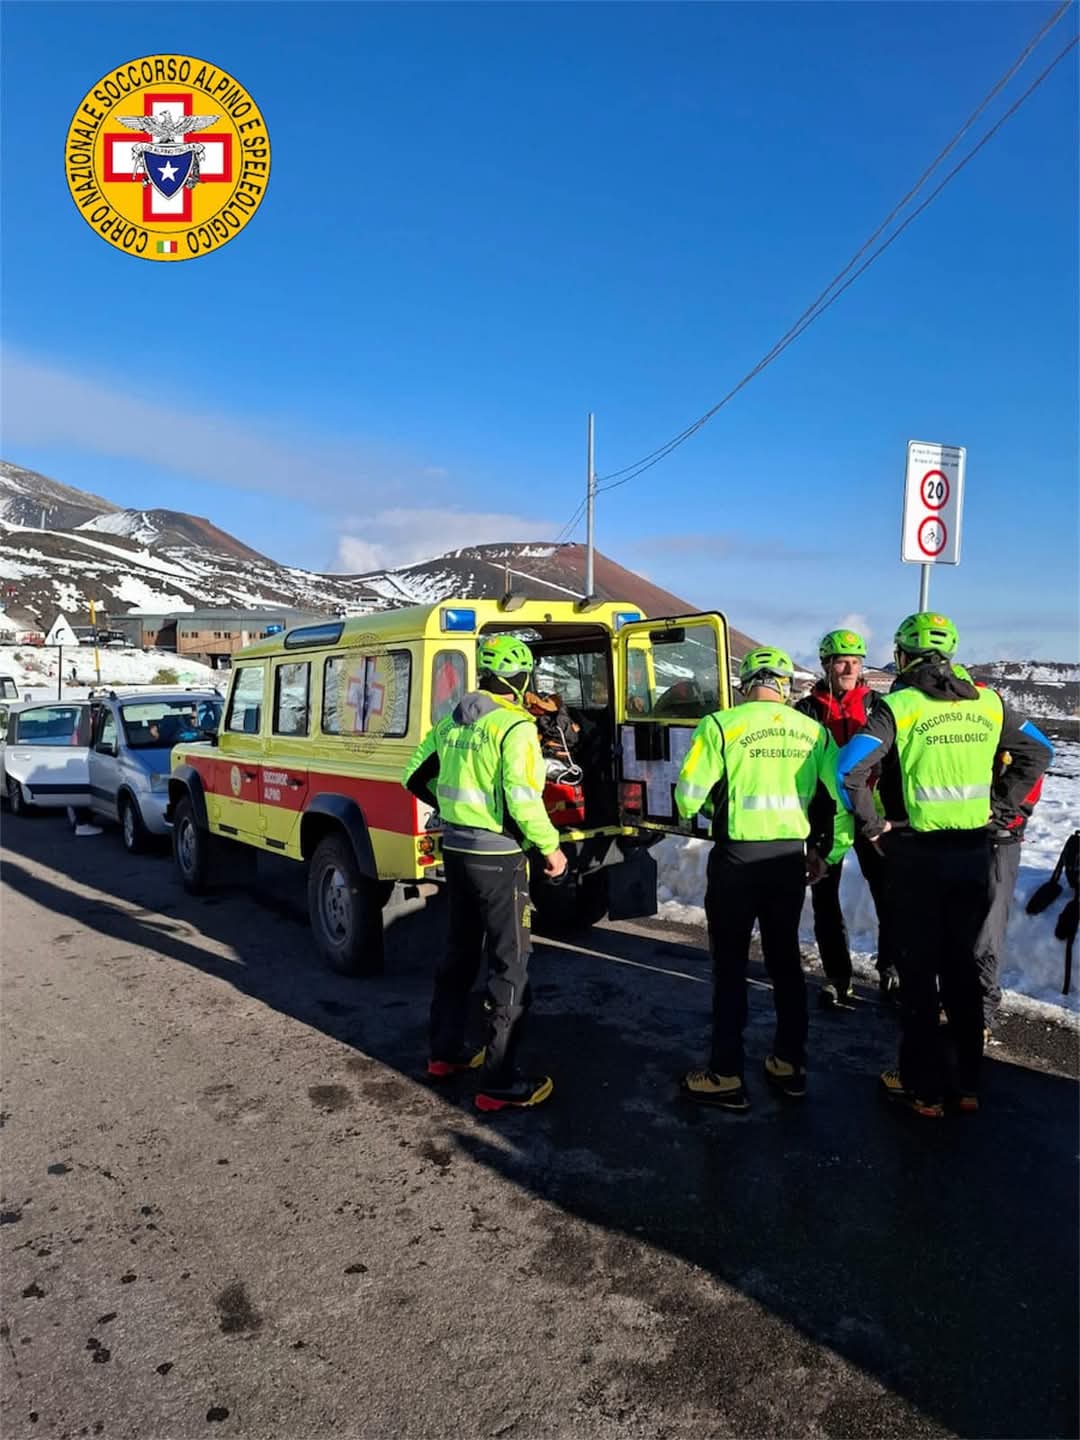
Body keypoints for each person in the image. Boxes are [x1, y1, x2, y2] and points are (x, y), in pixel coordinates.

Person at [836, 612, 1051, 1117]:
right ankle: (967, 1085)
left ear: (903, 657)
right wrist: (1005, 807)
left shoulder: (899, 706)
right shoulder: (989, 701)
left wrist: (871, 825)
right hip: (974, 853)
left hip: (917, 855)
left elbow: (850, 767)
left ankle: (922, 1087)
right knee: (961, 969)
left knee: (918, 974)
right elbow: (1038, 752)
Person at [673, 646, 845, 1112]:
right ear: (786, 687)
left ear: (746, 683)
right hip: (789, 860)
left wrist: (709, 808)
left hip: (736, 859)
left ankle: (725, 1075)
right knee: (785, 960)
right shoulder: (814, 733)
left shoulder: (721, 725)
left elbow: (688, 797)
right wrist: (830, 851)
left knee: (729, 966)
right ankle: (789, 1065)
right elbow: (843, 794)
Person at [403, 634, 567, 1113]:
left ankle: (447, 1052)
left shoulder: (452, 718)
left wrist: (455, 809)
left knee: (459, 952)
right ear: (520, 681)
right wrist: (550, 848)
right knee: (509, 964)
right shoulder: (515, 727)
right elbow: (521, 797)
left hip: (457, 850)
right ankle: (499, 1082)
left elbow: (414, 775)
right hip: (499, 858)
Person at [796, 628, 898, 1009]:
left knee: (887, 894)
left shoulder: (878, 706)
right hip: (825, 815)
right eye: (841, 660)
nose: (849, 667)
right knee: (825, 897)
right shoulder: (807, 710)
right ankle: (838, 978)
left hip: (872, 814)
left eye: (855, 661)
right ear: (826, 665)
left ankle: (891, 970)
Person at [975, 714, 1053, 1037]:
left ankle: (981, 1014)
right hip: (968, 839)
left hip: (999, 841)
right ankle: (958, 1005)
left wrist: (1003, 809)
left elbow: (1041, 753)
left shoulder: (1003, 722)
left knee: (986, 932)